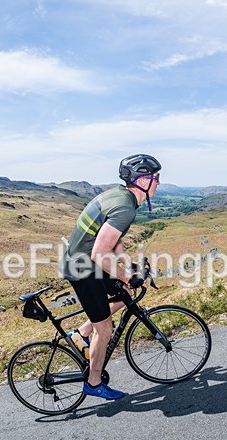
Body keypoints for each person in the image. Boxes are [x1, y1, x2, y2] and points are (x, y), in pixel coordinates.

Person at [60, 154, 161, 400]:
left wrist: (129, 267)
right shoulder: (125, 207)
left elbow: (114, 243)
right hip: (82, 268)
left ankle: (80, 334)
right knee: (104, 329)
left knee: (123, 293)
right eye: (156, 178)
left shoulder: (120, 196)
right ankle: (93, 383)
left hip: (83, 261)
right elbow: (99, 253)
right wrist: (128, 276)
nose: (159, 183)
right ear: (143, 180)